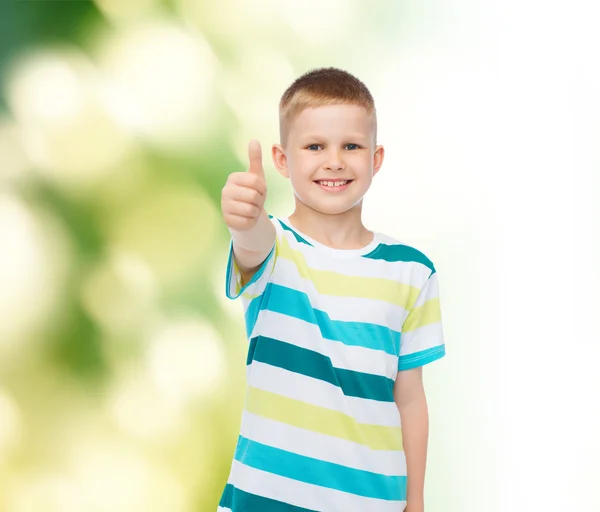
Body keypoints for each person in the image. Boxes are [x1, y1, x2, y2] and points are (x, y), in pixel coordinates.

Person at [218, 67, 446, 512]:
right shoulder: (276, 247)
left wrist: (415, 501)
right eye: (315, 146)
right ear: (283, 160)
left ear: (375, 159)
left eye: (352, 146)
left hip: (372, 501)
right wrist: (243, 219)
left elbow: (411, 397)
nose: (334, 161)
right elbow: (250, 244)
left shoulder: (413, 271)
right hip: (265, 500)